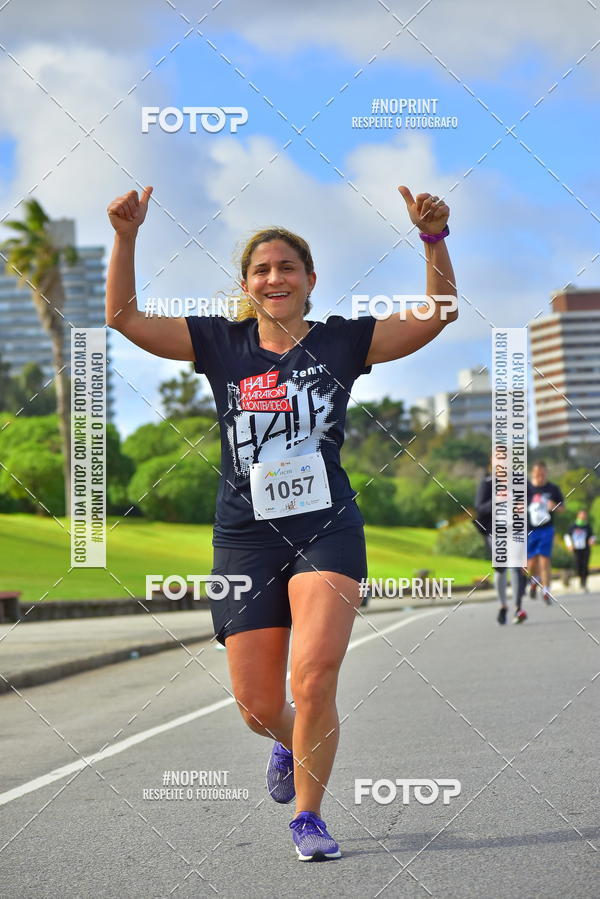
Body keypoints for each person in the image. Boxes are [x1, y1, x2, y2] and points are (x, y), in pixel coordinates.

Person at [105, 182, 458, 861]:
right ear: (247, 284)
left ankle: (308, 817)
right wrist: (126, 237)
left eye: (288, 267)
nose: (275, 278)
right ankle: (287, 740)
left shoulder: (343, 341)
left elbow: (437, 314)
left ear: (310, 280)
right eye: (262, 269)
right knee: (257, 705)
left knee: (314, 675)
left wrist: (434, 239)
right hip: (244, 537)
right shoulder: (220, 343)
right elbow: (123, 316)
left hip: (327, 527)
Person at [474, 454, 527, 624]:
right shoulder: (487, 483)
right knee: (501, 569)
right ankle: (503, 606)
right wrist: (496, 500)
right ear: (492, 462)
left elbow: (530, 500)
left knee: (516, 567)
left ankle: (518, 608)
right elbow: (479, 508)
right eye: (498, 458)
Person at [526, 461, 564, 604]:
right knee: (531, 563)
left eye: (543, 474)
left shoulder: (553, 489)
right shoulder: (526, 488)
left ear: (546, 473)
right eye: (538, 474)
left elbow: (562, 508)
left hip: (547, 529)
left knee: (544, 559)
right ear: (533, 473)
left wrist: (554, 506)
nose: (540, 477)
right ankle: (535, 580)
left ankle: (546, 590)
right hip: (530, 529)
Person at [565, 509, 596, 592]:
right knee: (578, 565)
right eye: (581, 514)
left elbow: (592, 536)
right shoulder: (573, 526)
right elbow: (567, 536)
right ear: (578, 515)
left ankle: (583, 583)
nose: (583, 516)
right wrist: (569, 545)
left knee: (585, 566)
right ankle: (579, 577)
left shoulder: (587, 526)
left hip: (586, 549)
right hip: (576, 549)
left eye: (584, 515)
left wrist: (592, 540)